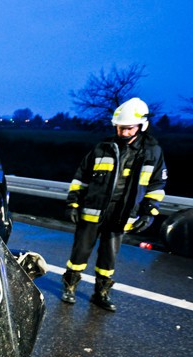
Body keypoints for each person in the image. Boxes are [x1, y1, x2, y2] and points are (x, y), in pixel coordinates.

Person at [60, 97, 168, 312]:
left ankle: (101, 293)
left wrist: (149, 212)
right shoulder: (103, 147)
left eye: (128, 128)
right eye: (120, 128)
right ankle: (70, 287)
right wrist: (73, 203)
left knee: (109, 258)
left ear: (141, 125)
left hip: (122, 214)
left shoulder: (152, 152)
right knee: (79, 254)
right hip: (92, 211)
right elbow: (81, 177)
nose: (124, 132)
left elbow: (157, 185)